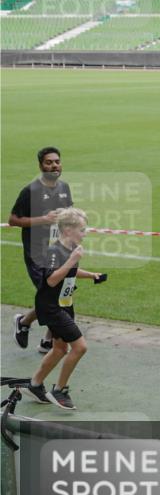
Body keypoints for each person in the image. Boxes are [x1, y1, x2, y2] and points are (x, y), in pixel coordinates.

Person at [24, 207, 107, 410]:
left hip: (64, 305)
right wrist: (72, 260)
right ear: (68, 230)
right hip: (52, 308)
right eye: (82, 229)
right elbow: (52, 280)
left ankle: (35, 385)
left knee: (60, 349)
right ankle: (60, 390)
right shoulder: (54, 252)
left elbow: (70, 271)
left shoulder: (69, 249)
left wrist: (92, 275)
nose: (84, 233)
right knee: (80, 347)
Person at [10, 147, 73, 354]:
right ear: (40, 166)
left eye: (57, 161)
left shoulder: (64, 187)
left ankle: (38, 333)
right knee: (52, 296)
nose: (54, 165)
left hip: (60, 253)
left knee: (58, 296)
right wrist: (42, 220)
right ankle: (31, 326)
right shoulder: (31, 191)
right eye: (49, 162)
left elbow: (68, 214)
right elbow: (13, 220)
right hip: (37, 254)